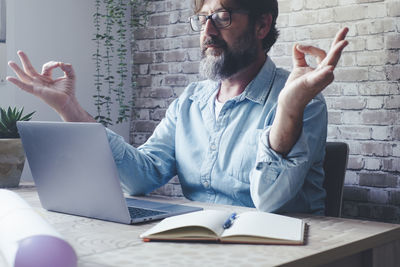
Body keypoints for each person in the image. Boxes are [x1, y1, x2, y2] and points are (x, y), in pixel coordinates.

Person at [7, 0, 348, 214]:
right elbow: (141, 176)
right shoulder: (191, 101)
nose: (208, 31)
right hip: (199, 243)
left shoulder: (303, 99)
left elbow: (272, 205)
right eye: (202, 20)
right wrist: (69, 107)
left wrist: (288, 108)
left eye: (222, 17)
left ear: (261, 25)